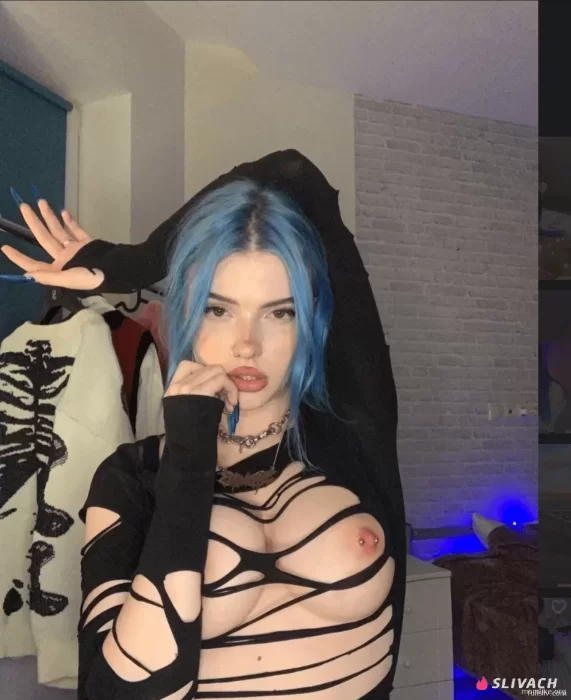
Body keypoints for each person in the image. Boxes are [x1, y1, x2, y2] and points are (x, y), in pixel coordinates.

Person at [2, 150, 406, 699]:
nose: (247, 344)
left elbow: (294, 172)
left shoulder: (353, 427)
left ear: (309, 320)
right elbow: (114, 693)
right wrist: (188, 459)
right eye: (219, 309)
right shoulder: (132, 477)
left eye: (279, 312)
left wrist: (135, 262)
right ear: (188, 316)